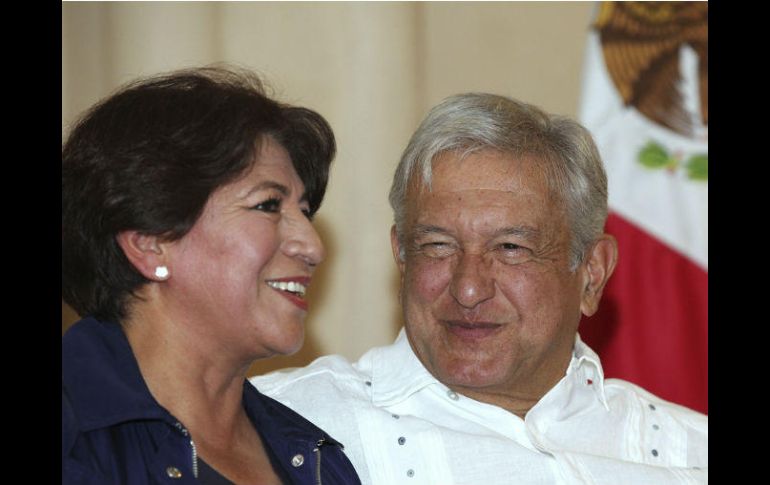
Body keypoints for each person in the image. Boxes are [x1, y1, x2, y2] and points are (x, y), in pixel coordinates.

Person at [251, 93, 708, 484]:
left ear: (592, 272)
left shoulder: (690, 453)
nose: (468, 289)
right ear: (402, 257)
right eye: (437, 245)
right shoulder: (280, 430)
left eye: (511, 248)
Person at [62, 66, 361, 485]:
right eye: (268, 205)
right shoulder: (76, 439)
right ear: (151, 243)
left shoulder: (315, 457)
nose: (313, 247)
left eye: (305, 212)